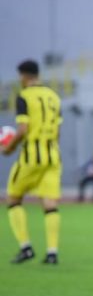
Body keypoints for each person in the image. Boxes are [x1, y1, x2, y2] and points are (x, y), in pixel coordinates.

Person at [4, 59, 62, 264]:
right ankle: (52, 252)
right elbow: (58, 131)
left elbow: (22, 130)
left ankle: (25, 247)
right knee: (49, 203)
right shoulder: (54, 97)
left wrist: (8, 148)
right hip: (53, 156)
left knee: (13, 199)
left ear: (24, 75)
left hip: (30, 156)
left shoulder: (24, 96)